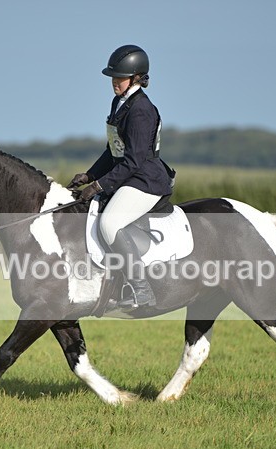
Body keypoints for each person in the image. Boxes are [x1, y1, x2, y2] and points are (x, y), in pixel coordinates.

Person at [69, 44, 173, 309]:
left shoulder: (141, 110)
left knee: (110, 223)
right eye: (113, 77)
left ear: (136, 77)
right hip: (128, 175)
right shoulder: (120, 102)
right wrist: (90, 175)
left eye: (120, 77)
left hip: (145, 180)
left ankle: (142, 289)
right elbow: (113, 149)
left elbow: (135, 159)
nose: (115, 82)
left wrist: (100, 185)